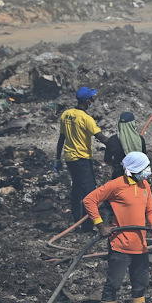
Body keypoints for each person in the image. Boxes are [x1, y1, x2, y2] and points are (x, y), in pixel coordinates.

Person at [82, 151, 152, 303]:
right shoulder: (116, 185)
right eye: (143, 168)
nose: (147, 171)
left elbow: (150, 210)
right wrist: (101, 226)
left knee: (140, 285)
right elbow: (89, 200)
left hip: (140, 246)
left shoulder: (145, 185)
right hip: (120, 245)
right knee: (113, 285)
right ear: (132, 169)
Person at [55, 86, 109, 230]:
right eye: (92, 98)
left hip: (70, 159)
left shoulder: (66, 114)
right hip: (82, 159)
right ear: (87, 101)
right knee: (89, 193)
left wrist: (57, 159)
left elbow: (61, 138)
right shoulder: (86, 119)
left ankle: (75, 220)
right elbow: (102, 138)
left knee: (77, 189)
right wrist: (118, 144)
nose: (93, 100)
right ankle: (86, 225)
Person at [104, 111, 147, 179]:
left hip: (118, 176)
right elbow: (144, 158)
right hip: (136, 177)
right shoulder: (140, 140)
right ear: (132, 124)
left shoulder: (112, 140)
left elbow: (107, 159)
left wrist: (117, 165)